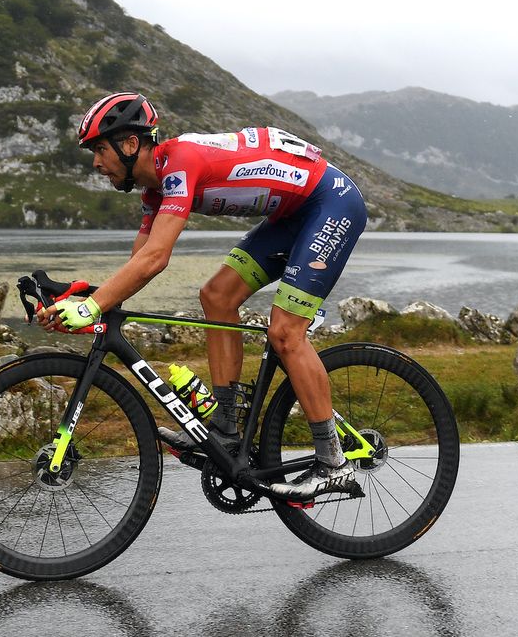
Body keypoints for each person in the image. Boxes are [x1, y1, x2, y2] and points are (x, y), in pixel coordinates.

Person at [37, 92, 369, 501]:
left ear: (129, 144)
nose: (95, 163)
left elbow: (157, 258)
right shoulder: (153, 190)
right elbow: (138, 262)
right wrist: (83, 295)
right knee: (216, 296)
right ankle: (226, 430)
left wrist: (91, 308)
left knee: (285, 333)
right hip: (293, 215)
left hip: (332, 203)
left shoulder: (181, 164)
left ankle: (333, 462)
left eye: (100, 149)